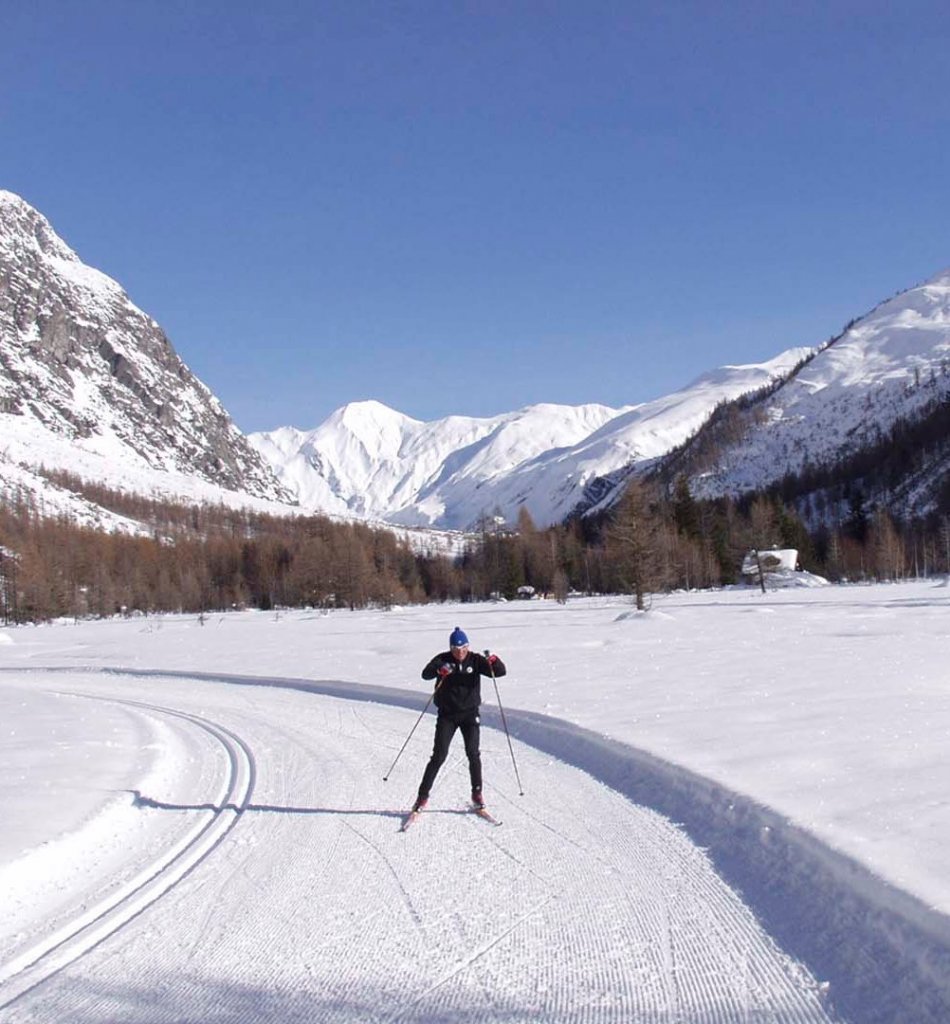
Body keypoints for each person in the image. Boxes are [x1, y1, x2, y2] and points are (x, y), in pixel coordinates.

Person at [412, 626, 506, 813]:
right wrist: (439, 669)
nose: (460, 653)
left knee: (473, 753)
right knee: (439, 755)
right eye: (456, 649)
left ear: (468, 647)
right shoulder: (443, 659)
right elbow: (425, 674)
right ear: (451, 648)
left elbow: (500, 672)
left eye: (463, 649)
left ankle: (477, 793)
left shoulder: (476, 660)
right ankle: (422, 797)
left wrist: (493, 660)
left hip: (470, 714)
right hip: (447, 715)